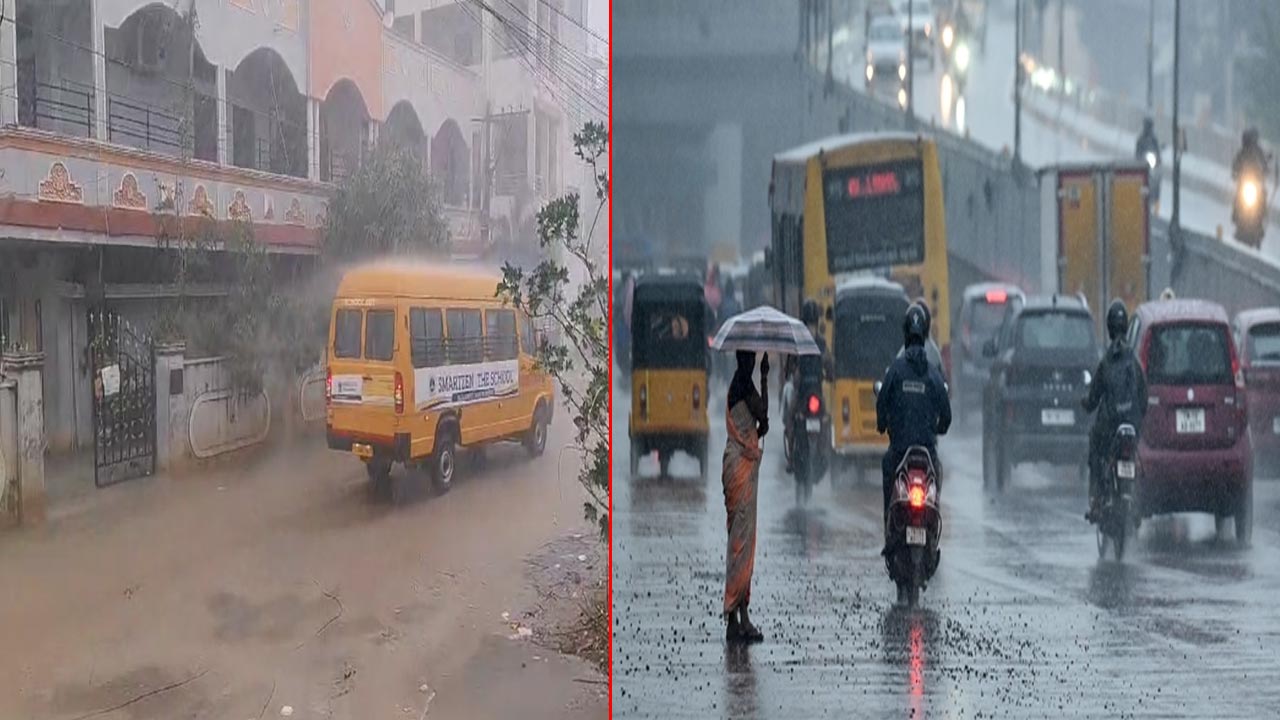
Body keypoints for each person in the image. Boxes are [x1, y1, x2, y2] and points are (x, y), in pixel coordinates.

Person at [875, 303, 952, 554]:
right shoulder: (933, 374)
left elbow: (881, 401)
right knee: (936, 475)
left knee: (888, 468)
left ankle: (889, 528)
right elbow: (947, 415)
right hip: (927, 452)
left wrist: (882, 424)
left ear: (906, 333)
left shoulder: (896, 370)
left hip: (900, 450)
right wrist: (939, 428)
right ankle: (931, 534)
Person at [1082, 300, 1148, 522]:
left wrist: (1086, 404)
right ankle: (1135, 501)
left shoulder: (1106, 361)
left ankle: (1095, 501)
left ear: (1109, 327)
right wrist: (1139, 418)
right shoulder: (1135, 361)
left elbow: (1094, 397)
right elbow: (1144, 394)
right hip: (1132, 425)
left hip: (1110, 426)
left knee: (1095, 445)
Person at [723, 349, 769, 643]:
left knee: (738, 543)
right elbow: (763, 417)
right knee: (741, 544)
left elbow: (759, 424)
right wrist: (764, 378)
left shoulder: (734, 384)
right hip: (741, 468)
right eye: (751, 359)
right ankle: (736, 617)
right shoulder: (745, 385)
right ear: (746, 361)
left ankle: (740, 617)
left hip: (733, 467)